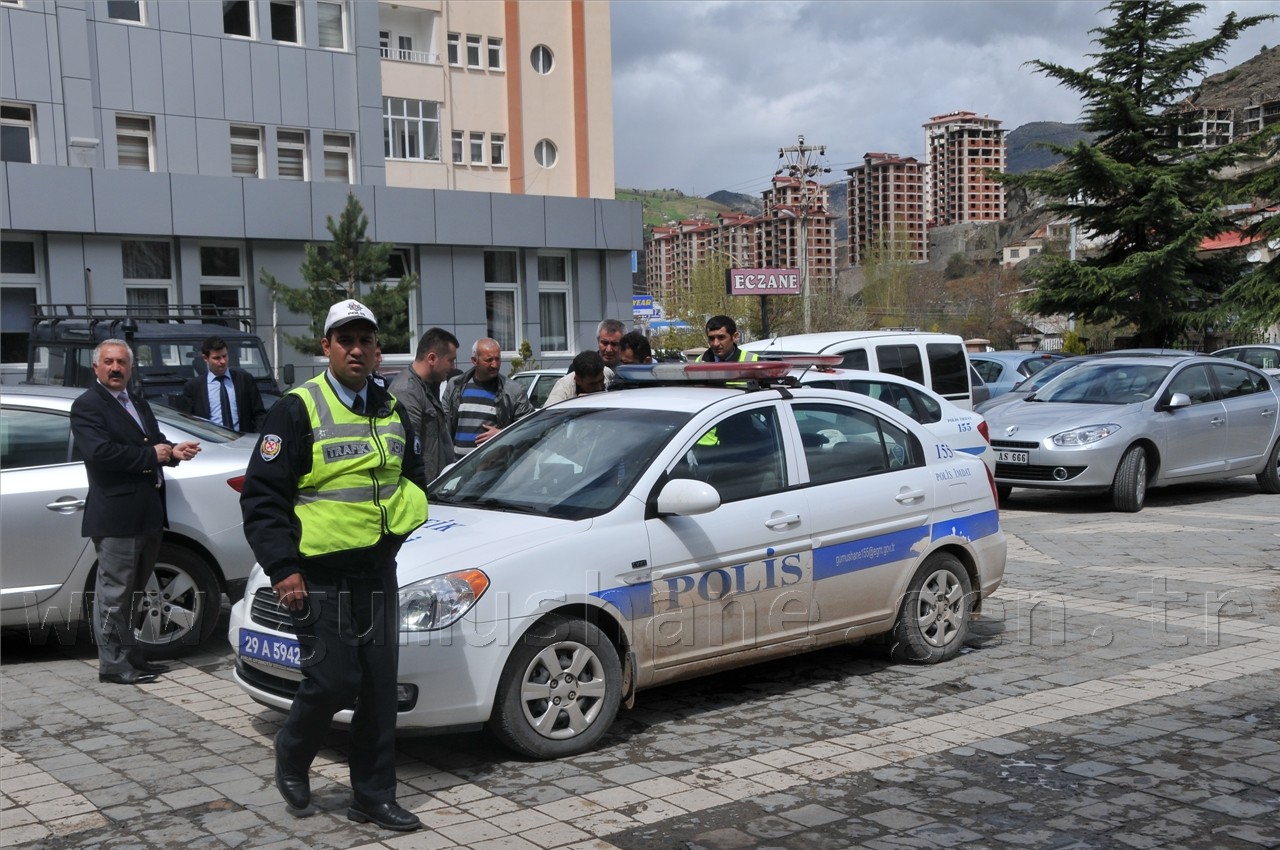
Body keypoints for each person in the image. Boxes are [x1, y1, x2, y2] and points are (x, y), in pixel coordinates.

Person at [239, 299, 428, 832]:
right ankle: (292, 751)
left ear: (376, 348)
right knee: (331, 680)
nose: (357, 348)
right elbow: (262, 499)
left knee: (376, 685)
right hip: (315, 574)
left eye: (366, 339)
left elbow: (410, 475)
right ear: (326, 347)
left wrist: (396, 531)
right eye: (345, 339)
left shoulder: (390, 407)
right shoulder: (296, 409)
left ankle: (372, 796)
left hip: (376, 569)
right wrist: (282, 569)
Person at [70, 339, 201, 685]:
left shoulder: (136, 401)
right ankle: (113, 665)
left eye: (122, 363)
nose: (116, 368)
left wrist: (175, 451)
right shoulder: (87, 406)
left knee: (135, 595)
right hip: (117, 517)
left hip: (148, 514)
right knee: (114, 596)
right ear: (96, 367)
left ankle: (132, 657)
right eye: (109, 362)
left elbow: (154, 442)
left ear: (130, 367)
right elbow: (101, 454)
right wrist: (152, 457)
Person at [387, 327, 460, 482]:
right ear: (432, 358)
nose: (453, 367)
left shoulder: (428, 386)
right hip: (422, 491)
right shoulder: (407, 391)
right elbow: (409, 454)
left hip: (436, 488)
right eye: (450, 360)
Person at [443, 338, 534, 458]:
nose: (495, 365)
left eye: (497, 359)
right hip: (457, 468)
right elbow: (442, 426)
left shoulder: (513, 391)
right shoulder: (455, 386)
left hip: (493, 470)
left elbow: (530, 429)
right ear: (474, 361)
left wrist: (503, 435)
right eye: (489, 360)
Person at [178, 335, 268, 433]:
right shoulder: (193, 387)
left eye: (225, 356)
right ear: (205, 358)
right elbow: (187, 421)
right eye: (217, 358)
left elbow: (259, 414)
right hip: (212, 443)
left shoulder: (244, 379)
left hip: (243, 442)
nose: (223, 361)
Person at [543, 351, 608, 406]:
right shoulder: (562, 392)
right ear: (577, 380)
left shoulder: (607, 373)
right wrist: (575, 405)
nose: (599, 387)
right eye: (592, 384)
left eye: (601, 380)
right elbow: (547, 418)